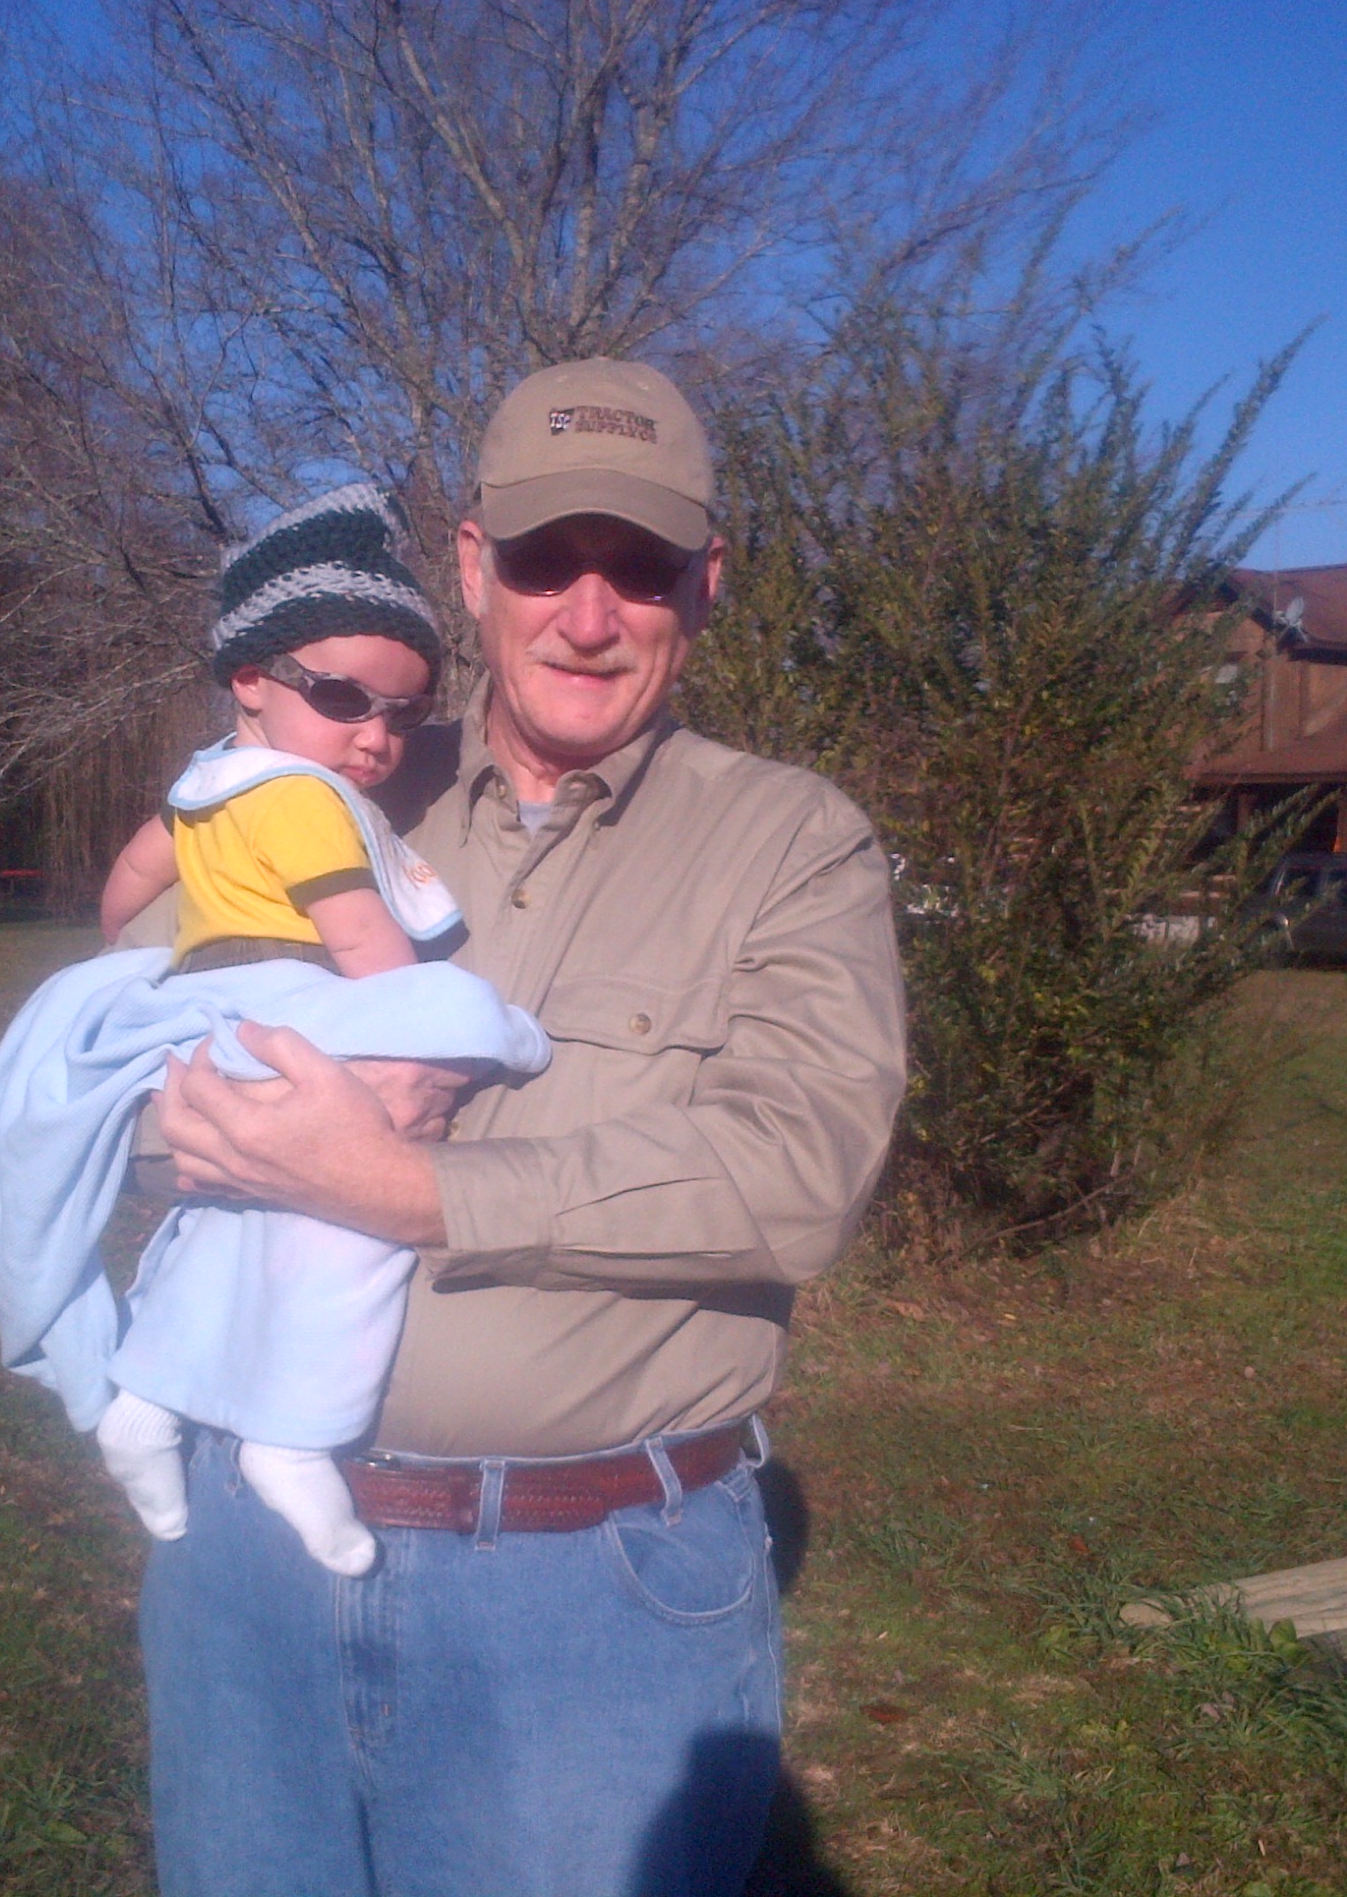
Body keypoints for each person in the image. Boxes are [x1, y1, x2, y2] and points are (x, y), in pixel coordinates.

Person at [132, 358, 907, 1897]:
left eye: (642, 568)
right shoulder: (328, 779)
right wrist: (193, 1116)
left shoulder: (793, 842)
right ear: (477, 565)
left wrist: (411, 1188)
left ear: (706, 584)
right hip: (245, 1571)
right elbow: (127, 1058)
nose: (589, 613)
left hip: (592, 1594)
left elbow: (799, 1171)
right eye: (551, 558)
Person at [0, 486, 548, 1581]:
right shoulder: (302, 799)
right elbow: (362, 936)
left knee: (236, 1220)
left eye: (404, 714)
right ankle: (292, 1433)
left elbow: (129, 883)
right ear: (250, 677)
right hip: (285, 1001)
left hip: (204, 1002)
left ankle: (143, 1404)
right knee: (386, 1164)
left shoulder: (201, 786)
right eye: (345, 699)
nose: (375, 738)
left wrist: (125, 954)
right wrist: (435, 1022)